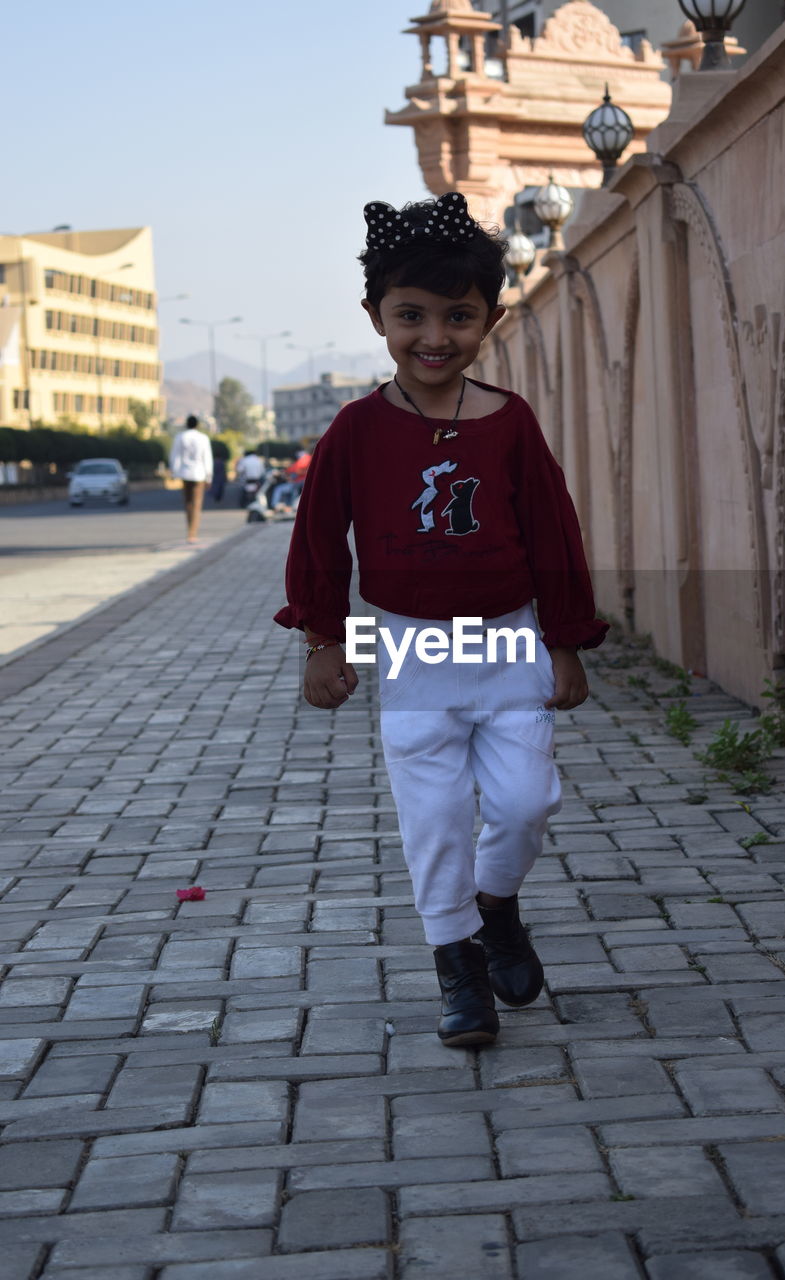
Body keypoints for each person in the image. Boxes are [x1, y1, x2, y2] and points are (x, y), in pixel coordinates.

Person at [274, 191, 608, 1048]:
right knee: (433, 820)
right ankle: (456, 963)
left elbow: (555, 533)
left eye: (458, 317)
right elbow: (319, 542)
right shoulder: (354, 430)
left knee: (529, 801)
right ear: (375, 316)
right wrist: (325, 641)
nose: (434, 337)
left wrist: (565, 643)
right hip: (415, 653)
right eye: (411, 315)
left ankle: (496, 905)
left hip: (508, 641)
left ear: (488, 319)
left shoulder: (510, 423)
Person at [169, 415, 213, 543]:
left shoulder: (180, 437)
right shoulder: (203, 438)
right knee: (196, 504)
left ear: (186, 424)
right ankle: (193, 532)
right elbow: (207, 458)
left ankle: (190, 530)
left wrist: (174, 472)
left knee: (188, 503)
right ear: (197, 425)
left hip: (185, 474)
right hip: (199, 475)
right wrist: (209, 476)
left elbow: (175, 456)